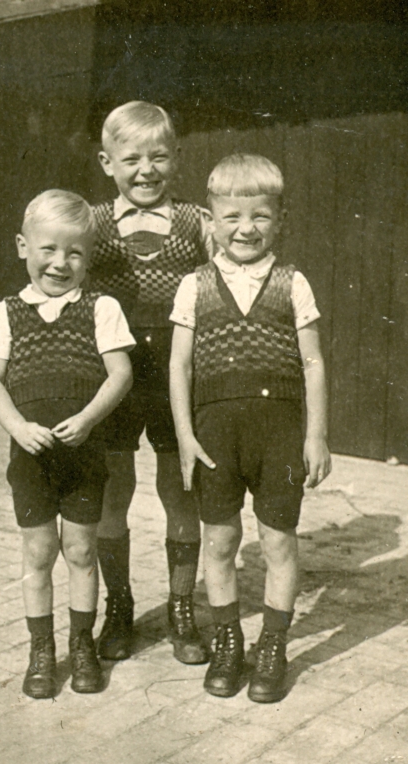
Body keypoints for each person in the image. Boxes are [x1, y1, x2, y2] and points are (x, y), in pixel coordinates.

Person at [169, 154, 331, 702]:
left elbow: (313, 363)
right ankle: (228, 640)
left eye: (260, 215)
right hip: (214, 434)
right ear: (210, 221)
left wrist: (315, 435)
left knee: (278, 540)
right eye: (232, 216)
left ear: (280, 219)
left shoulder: (292, 283)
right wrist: (185, 435)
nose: (246, 228)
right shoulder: (194, 285)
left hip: (278, 433)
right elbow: (180, 366)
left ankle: (273, 646)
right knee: (220, 540)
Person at [0, 190, 134, 698]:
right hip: (31, 458)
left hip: (83, 455)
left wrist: (88, 419)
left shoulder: (101, 308)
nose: (60, 263)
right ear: (23, 247)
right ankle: (41, 649)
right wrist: (18, 427)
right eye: (48, 249)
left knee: (82, 550)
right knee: (39, 552)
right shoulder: (4, 313)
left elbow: (120, 374)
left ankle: (81, 642)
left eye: (75, 253)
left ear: (89, 258)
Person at [90, 100, 213, 664]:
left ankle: (181, 608)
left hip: (176, 373)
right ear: (107, 163)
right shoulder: (91, 224)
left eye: (159, 157)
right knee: (113, 492)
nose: (146, 170)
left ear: (176, 158)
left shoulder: (196, 223)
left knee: (179, 489)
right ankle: (118, 605)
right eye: (132, 159)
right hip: (114, 372)